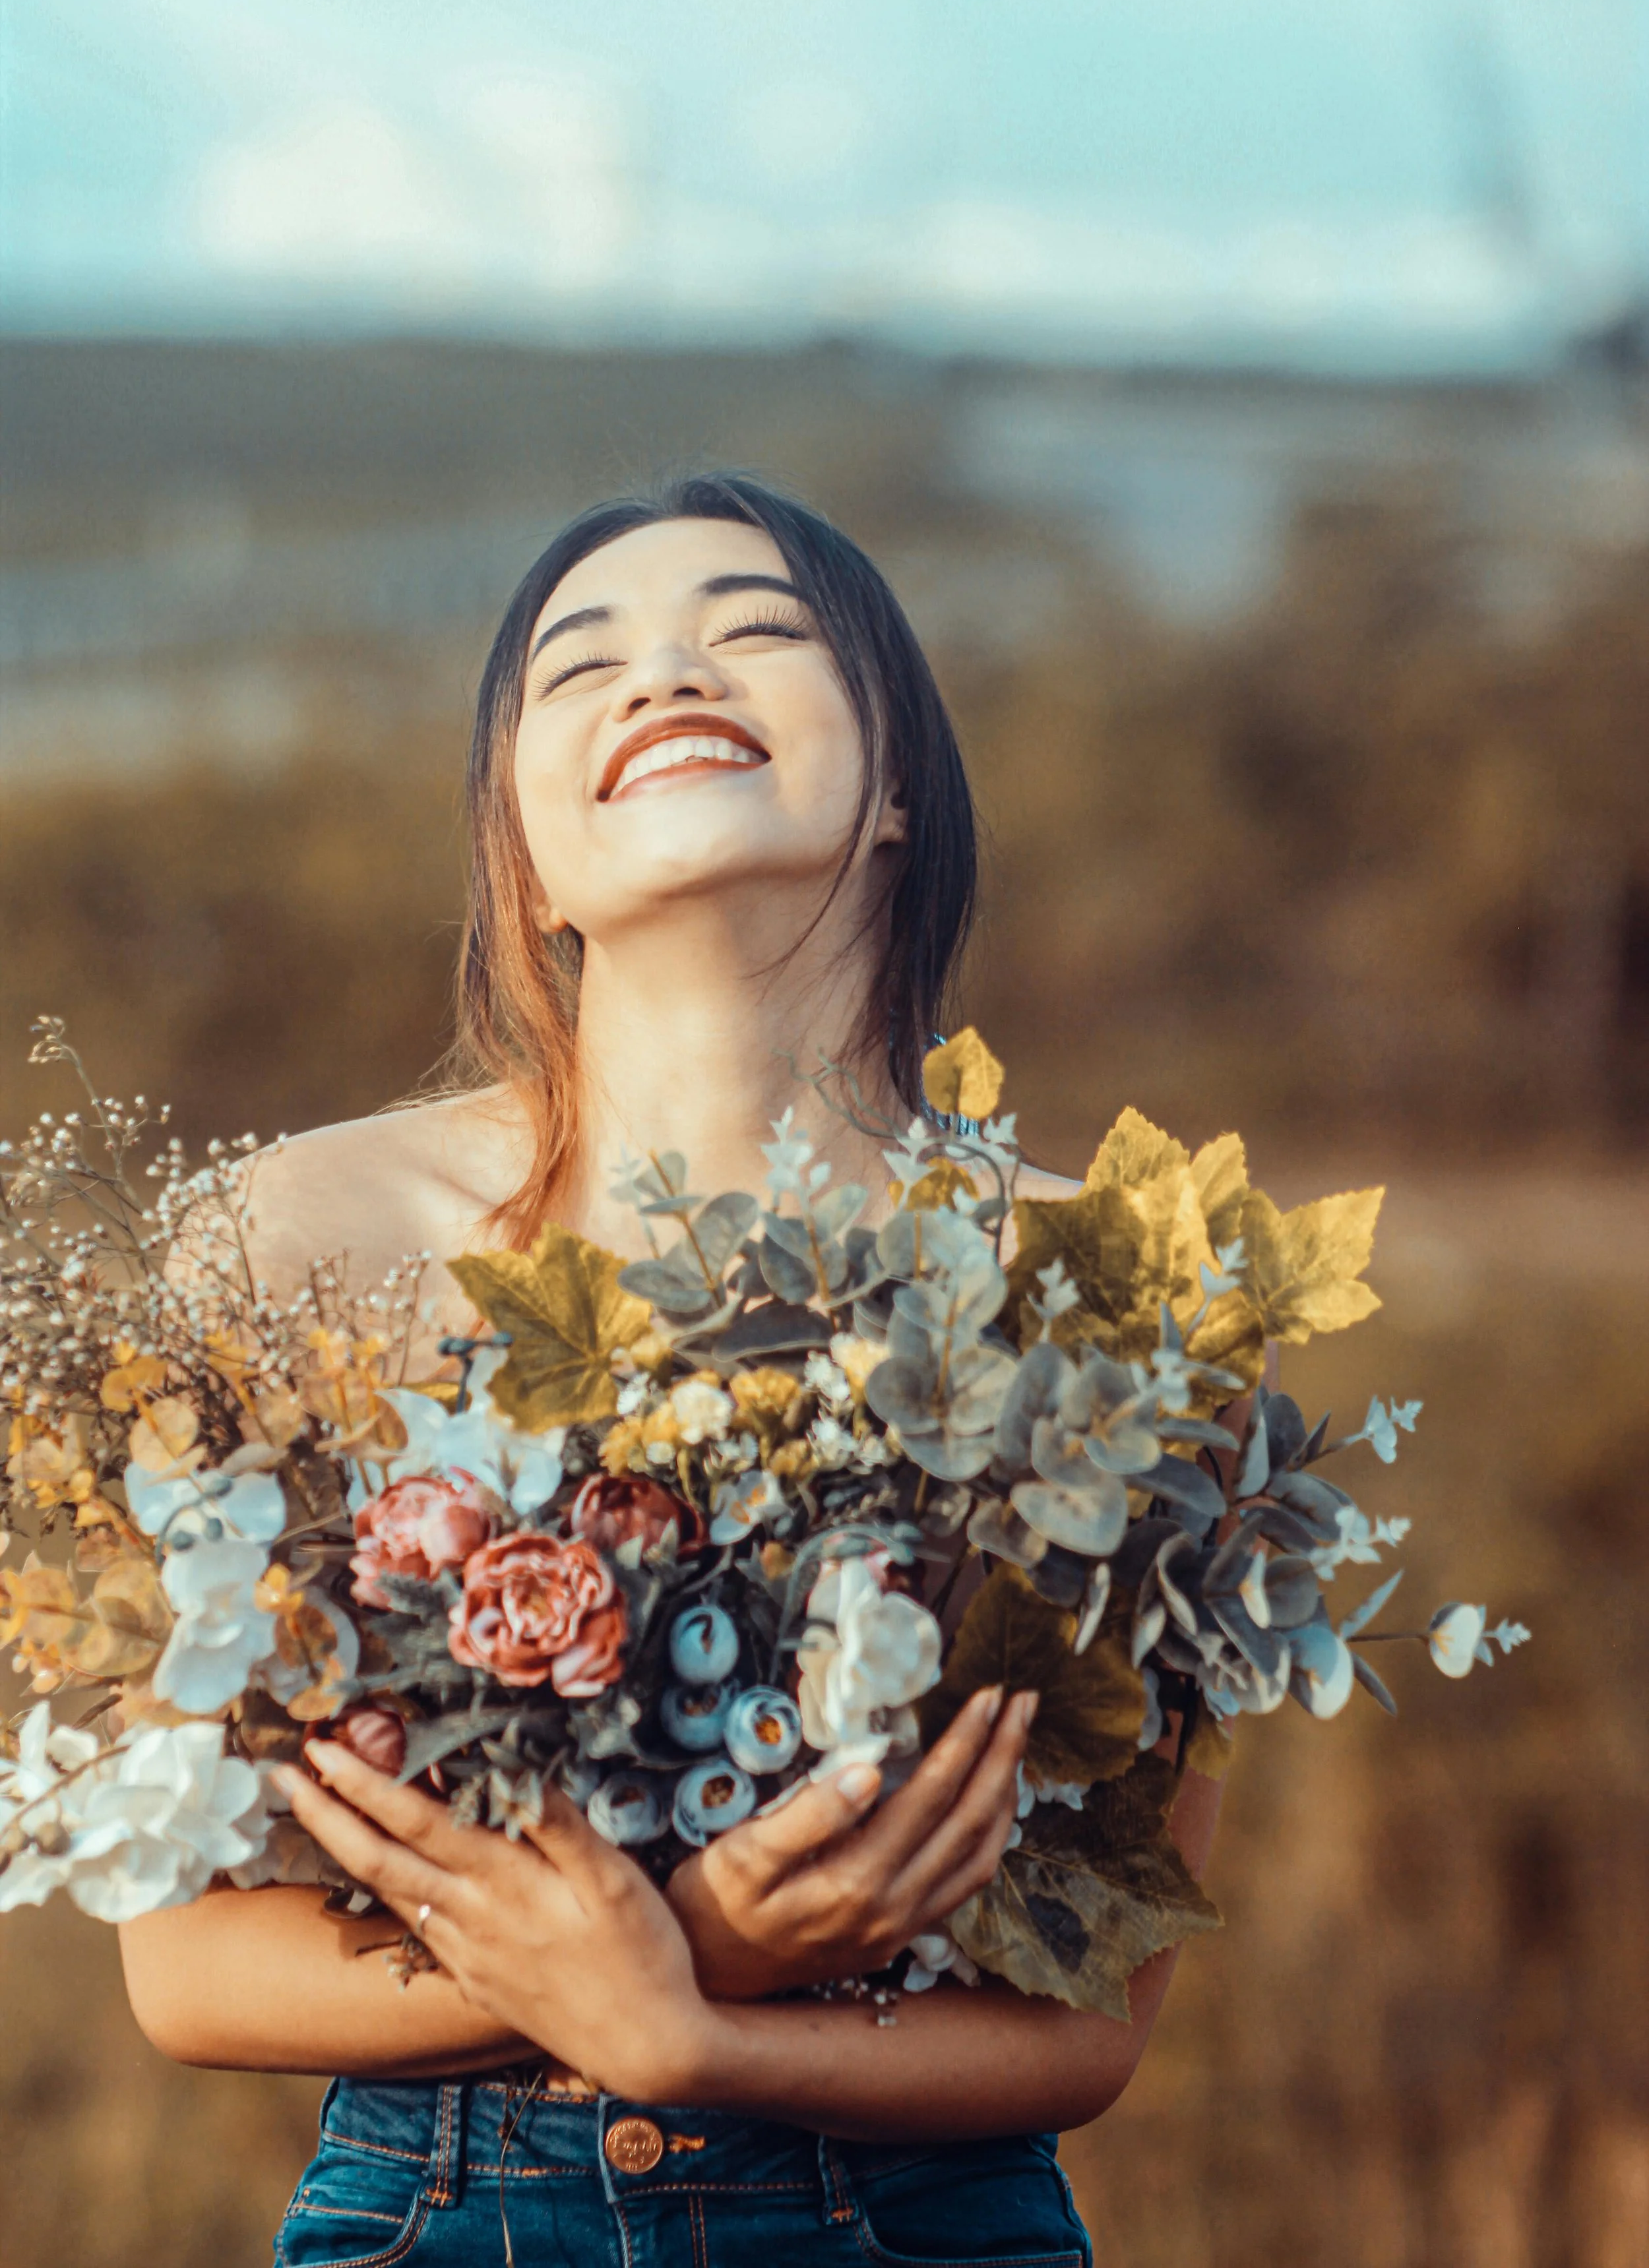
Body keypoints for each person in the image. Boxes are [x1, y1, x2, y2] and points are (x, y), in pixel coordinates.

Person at [118, 475, 1223, 2267]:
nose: (664, 670)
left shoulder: (1102, 1283)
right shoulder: (290, 1243)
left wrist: (685, 2032)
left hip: (921, 2219)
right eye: (580, 662)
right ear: (524, 851)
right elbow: (183, 1966)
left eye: (756, 627)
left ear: (893, 787)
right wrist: (700, 1943)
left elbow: (1084, 2016)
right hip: (436, 2209)